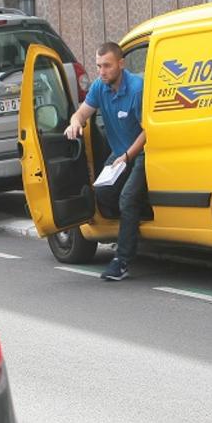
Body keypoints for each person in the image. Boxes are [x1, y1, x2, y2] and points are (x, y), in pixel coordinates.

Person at [64, 42, 146, 281]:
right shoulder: (100, 87)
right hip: (119, 154)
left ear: (121, 64)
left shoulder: (137, 89)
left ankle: (122, 261)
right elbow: (82, 112)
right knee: (101, 193)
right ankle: (131, 228)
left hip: (141, 153)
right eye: (98, 66)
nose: (101, 72)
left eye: (107, 66)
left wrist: (128, 156)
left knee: (127, 199)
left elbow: (147, 131)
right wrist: (75, 122)